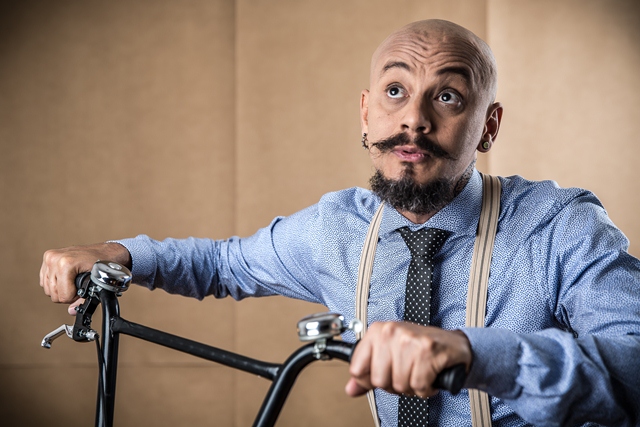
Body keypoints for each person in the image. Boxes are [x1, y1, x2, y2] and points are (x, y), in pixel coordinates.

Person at [40, 19, 640, 426]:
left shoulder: (560, 227)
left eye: (448, 97)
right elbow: (223, 264)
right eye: (396, 91)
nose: (414, 120)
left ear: (489, 126)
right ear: (365, 112)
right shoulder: (337, 230)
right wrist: (121, 253)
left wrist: (472, 354)